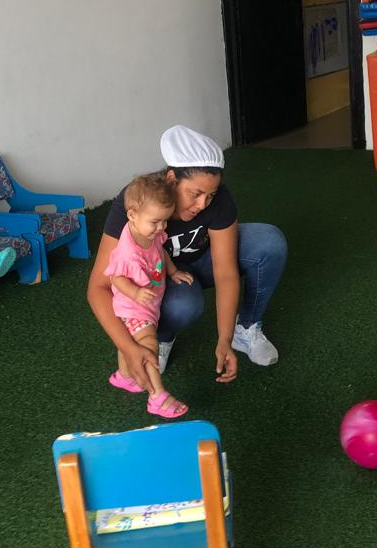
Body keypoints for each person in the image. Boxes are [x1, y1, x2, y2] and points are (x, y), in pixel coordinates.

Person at [87, 125, 287, 389]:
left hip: (204, 259)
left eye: (210, 195)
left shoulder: (219, 200)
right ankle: (157, 337)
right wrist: (127, 347)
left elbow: (225, 272)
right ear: (171, 179)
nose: (203, 204)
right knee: (183, 304)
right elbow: (99, 287)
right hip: (158, 276)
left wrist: (224, 339)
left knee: (269, 242)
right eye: (195, 194)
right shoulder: (137, 200)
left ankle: (246, 329)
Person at [104, 173, 191, 418]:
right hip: (133, 307)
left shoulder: (149, 233)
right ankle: (157, 397)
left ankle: (124, 376)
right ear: (132, 215)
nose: (161, 227)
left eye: (164, 221)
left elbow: (160, 252)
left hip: (148, 304)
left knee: (133, 343)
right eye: (155, 222)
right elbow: (116, 277)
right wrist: (135, 292)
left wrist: (173, 272)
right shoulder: (128, 252)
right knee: (149, 346)